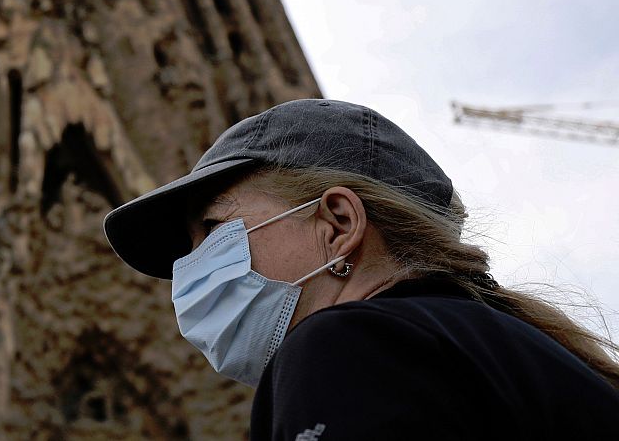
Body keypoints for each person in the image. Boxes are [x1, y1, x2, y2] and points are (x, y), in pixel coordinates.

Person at [103, 98, 619, 439]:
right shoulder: (507, 349)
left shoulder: (348, 345)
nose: (189, 268)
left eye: (214, 230)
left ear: (338, 223)